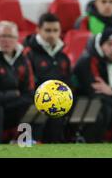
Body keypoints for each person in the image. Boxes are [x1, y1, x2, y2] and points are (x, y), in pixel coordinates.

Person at [23, 13, 71, 143]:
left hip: (58, 101)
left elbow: (68, 82)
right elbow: (26, 82)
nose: (52, 34)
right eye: (48, 30)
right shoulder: (28, 53)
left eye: (55, 30)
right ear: (38, 30)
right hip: (35, 100)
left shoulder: (63, 57)